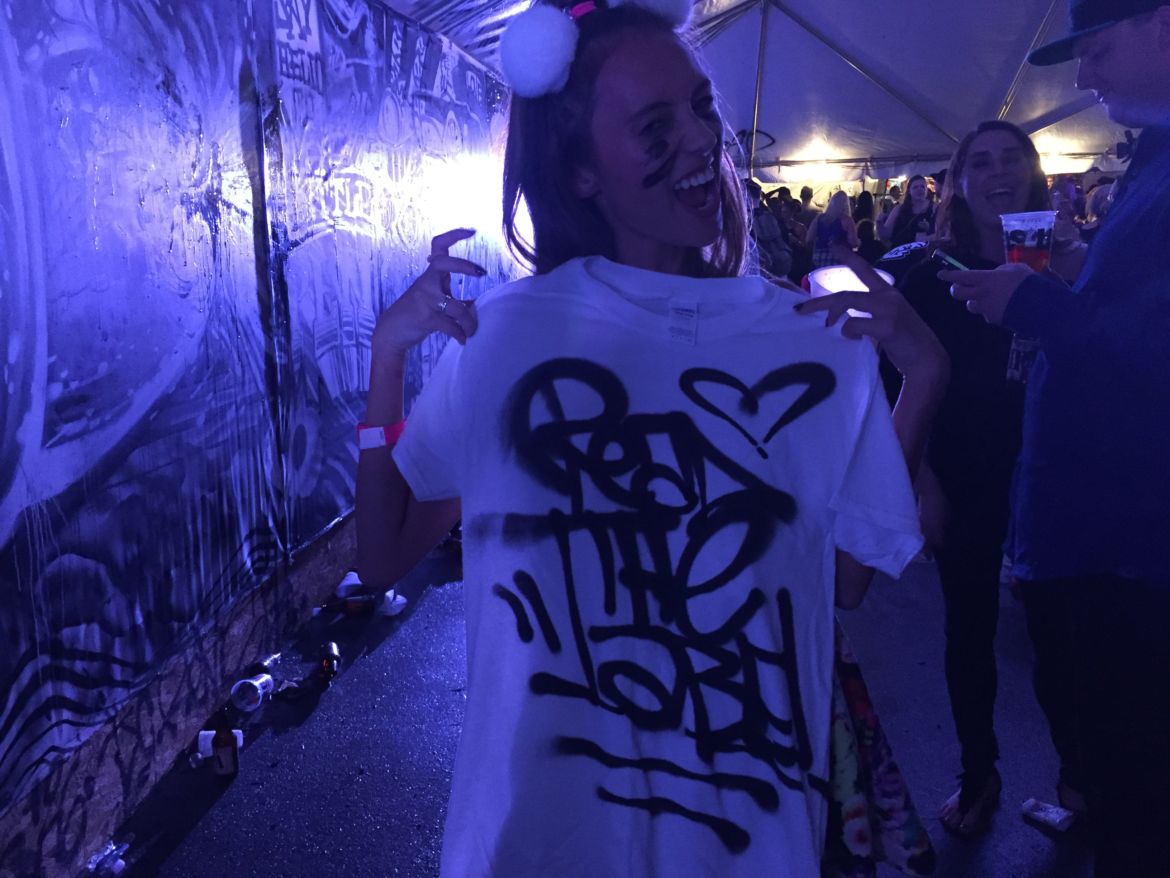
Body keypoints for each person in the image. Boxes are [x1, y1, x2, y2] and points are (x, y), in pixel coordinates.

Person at [355, 2, 948, 875]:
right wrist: (386, 357)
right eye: (654, 126)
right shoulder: (509, 341)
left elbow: (847, 580)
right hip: (541, 838)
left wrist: (924, 377)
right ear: (581, 171)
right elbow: (381, 557)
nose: (702, 141)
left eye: (703, 108)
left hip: (740, 842)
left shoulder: (807, 344)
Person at [943, 3, 1170, 874]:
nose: (1083, 77)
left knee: (1136, 776)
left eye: (1098, 48)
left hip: (1132, 543)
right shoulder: (1152, 155)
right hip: (1089, 527)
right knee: (1108, 743)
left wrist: (1038, 305)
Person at [887, 120, 1088, 838]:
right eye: (981, 163)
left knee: (1059, 633)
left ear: (1032, 174)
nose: (998, 172)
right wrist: (923, 482)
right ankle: (979, 775)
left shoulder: (1066, 265)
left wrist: (1071, 271)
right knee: (969, 630)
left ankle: (1077, 778)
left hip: (1053, 474)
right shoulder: (929, 275)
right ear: (959, 184)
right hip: (964, 472)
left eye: (1011, 159)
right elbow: (891, 384)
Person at [745, 179, 793, 277]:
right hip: (781, 267)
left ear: (746, 195)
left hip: (762, 271)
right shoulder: (769, 214)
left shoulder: (745, 218)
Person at [806, 190, 860, 268]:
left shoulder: (819, 218)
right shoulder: (847, 220)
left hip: (819, 257)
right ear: (846, 205)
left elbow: (809, 239)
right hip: (839, 257)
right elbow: (853, 242)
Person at [879, 175, 936, 248]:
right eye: (915, 187)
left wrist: (927, 238)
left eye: (922, 187)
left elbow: (942, 234)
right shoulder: (899, 209)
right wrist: (879, 221)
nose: (919, 189)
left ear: (926, 190)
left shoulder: (934, 208)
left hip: (924, 252)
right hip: (901, 250)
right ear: (909, 190)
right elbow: (886, 233)